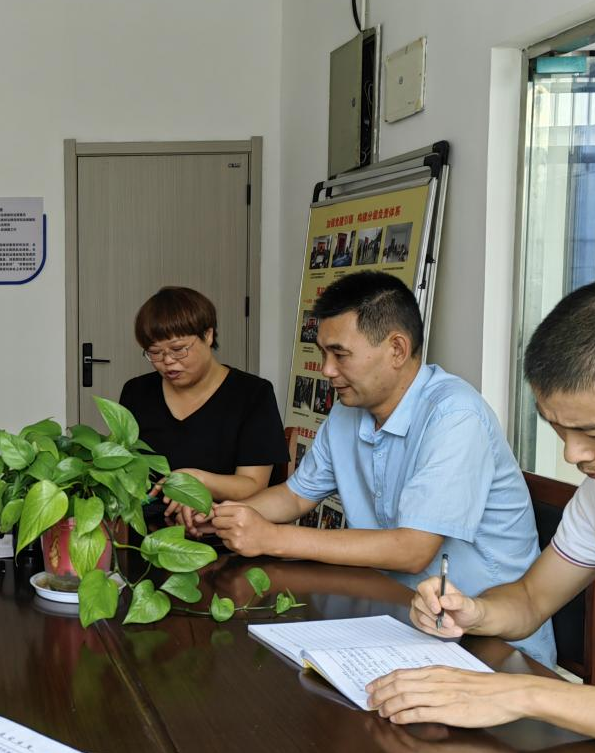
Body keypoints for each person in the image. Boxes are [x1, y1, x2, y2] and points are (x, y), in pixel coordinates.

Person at [207, 271, 555, 665]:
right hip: (396, 617)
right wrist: (224, 516)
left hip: (489, 643)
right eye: (323, 354)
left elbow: (412, 550)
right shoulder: (347, 413)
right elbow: (294, 496)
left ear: (397, 349)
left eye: (340, 355)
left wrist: (272, 538)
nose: (326, 370)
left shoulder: (455, 415)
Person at [369, 278, 595, 742]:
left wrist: (521, 694)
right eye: (558, 428)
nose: (573, 454)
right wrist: (475, 612)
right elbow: (532, 598)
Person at [118, 287, 287, 530]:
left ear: (208, 335)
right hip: (145, 528)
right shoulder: (136, 392)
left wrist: (195, 480)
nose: (167, 361)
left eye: (178, 349)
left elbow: (253, 484)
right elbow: (123, 469)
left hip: (220, 525)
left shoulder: (252, 394)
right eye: (155, 352)